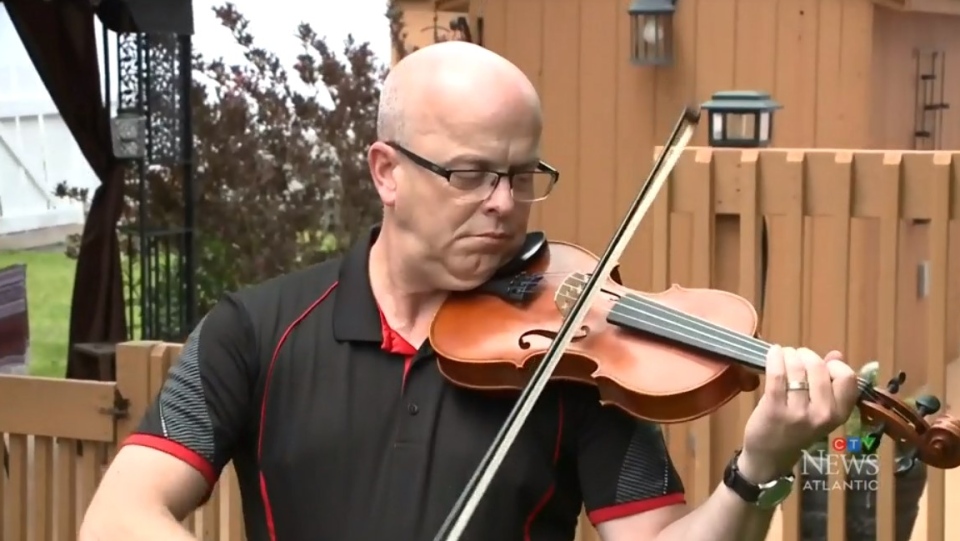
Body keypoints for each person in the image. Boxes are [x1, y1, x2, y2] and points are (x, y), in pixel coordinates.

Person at [79, 41, 861, 541]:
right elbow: (120, 514)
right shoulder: (253, 331)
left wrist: (756, 468)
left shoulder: (575, 355)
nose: (502, 203)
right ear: (386, 171)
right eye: (471, 174)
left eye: (523, 175)